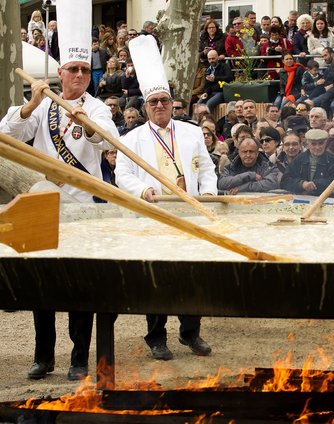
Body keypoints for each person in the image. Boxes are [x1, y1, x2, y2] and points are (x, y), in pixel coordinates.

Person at [0, 0, 118, 381]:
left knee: (81, 285)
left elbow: (109, 142)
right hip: (43, 203)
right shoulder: (41, 104)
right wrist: (27, 106)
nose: (80, 75)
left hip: (84, 208)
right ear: (61, 73)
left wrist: (86, 127)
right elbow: (6, 136)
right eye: (73, 69)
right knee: (43, 284)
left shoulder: (98, 108)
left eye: (85, 69)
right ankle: (43, 357)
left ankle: (79, 358)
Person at [117, 35, 216, 361]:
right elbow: (122, 176)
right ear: (145, 107)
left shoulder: (190, 132)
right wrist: (144, 191)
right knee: (157, 280)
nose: (159, 106)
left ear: (173, 102)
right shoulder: (132, 139)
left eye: (164, 100)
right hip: (155, 217)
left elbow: (206, 169)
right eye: (153, 102)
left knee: (193, 278)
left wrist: (209, 194)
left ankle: (191, 334)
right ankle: (156, 338)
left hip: (190, 215)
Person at [281, 129, 334, 195]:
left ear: (325, 143)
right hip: (301, 200)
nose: (317, 147)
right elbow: (285, 181)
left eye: (321, 143)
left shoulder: (333, 160)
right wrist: (302, 184)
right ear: (307, 144)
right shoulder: (299, 159)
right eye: (313, 144)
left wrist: (314, 185)